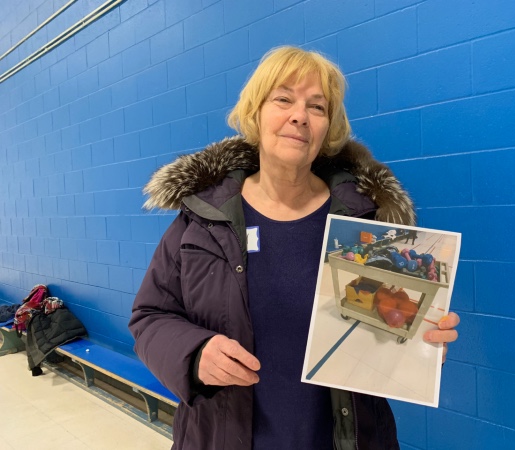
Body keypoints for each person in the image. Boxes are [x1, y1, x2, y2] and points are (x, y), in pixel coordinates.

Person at [129, 46, 460, 450]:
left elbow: (385, 336)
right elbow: (150, 316)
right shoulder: (202, 218)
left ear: (328, 128)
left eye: (317, 107)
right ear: (255, 113)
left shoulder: (364, 224)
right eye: (283, 99)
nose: (299, 115)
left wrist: (419, 348)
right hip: (220, 437)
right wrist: (194, 354)